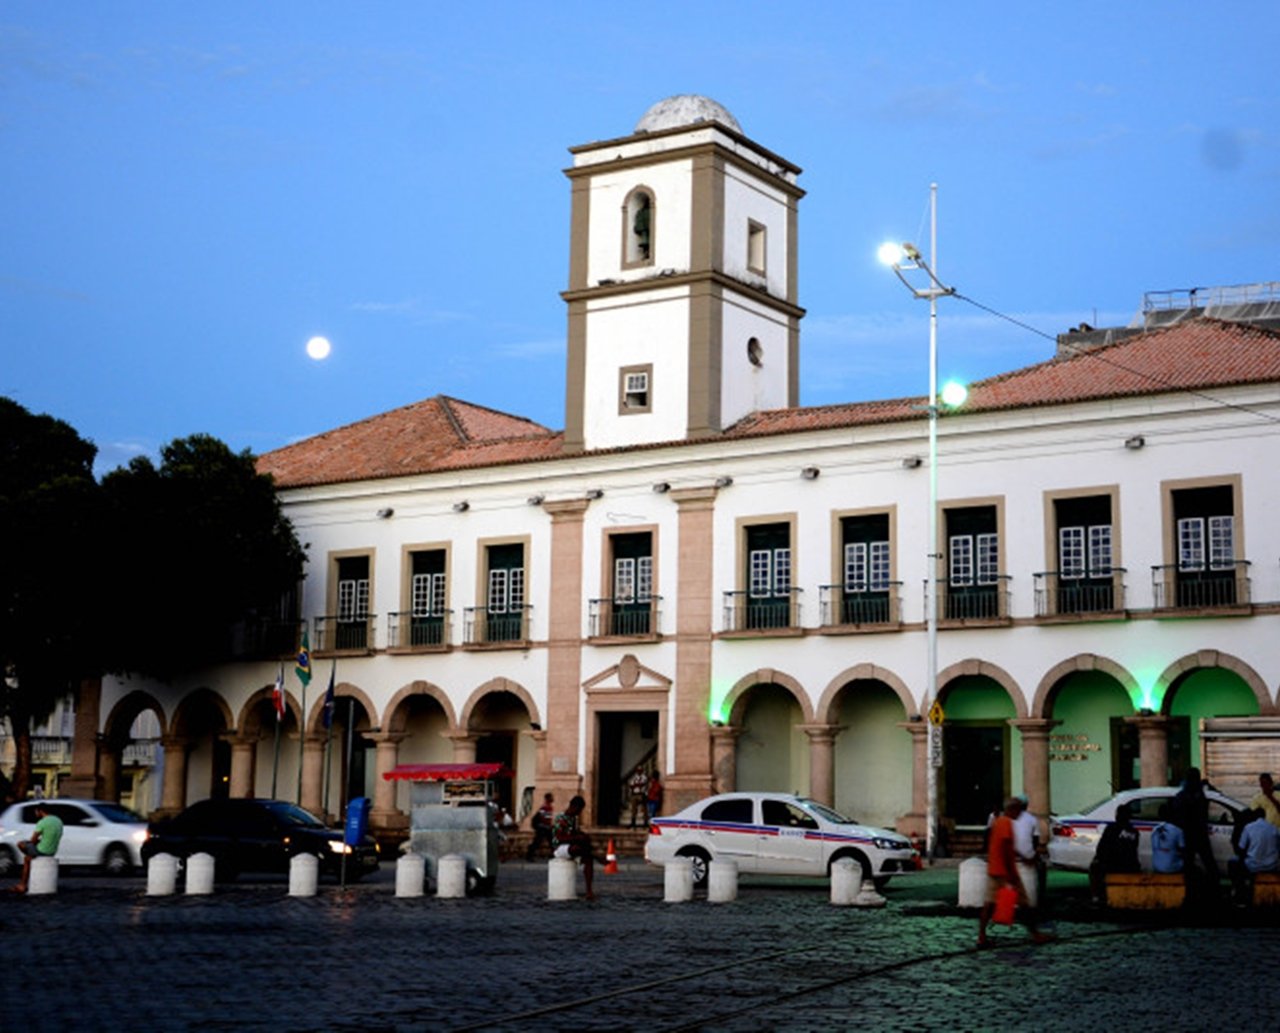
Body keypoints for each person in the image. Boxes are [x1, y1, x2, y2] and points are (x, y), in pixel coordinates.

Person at [978, 797, 1051, 947]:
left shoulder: (1000, 822)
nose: (1020, 813)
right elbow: (1005, 848)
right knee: (1024, 903)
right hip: (1006, 871)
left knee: (989, 903)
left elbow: (1008, 846)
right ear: (1012, 809)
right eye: (1018, 810)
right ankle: (1035, 934)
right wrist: (1009, 875)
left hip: (995, 869)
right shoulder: (1006, 823)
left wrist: (1025, 857)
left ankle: (982, 936)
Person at [1170, 766, 1220, 895]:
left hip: (1188, 835)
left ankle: (1189, 890)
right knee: (1209, 864)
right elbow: (1216, 795)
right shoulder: (1200, 795)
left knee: (1189, 864)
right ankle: (1214, 889)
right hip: (1199, 834)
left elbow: (1176, 814)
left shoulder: (1182, 795)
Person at [1089, 803, 1141, 903]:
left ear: (1117, 815)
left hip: (1112, 865)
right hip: (1130, 867)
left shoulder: (1111, 829)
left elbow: (1101, 849)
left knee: (1094, 867)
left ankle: (1097, 896)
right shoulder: (1135, 832)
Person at [1229, 807, 1280, 904]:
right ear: (1265, 816)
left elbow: (1241, 848)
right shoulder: (1274, 829)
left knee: (1233, 862)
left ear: (1254, 816)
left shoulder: (1248, 828)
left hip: (1253, 866)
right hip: (1272, 866)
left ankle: (1240, 893)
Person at [551, 795, 597, 900]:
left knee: (588, 857)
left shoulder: (573, 819)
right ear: (574, 807)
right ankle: (596, 857)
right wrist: (577, 837)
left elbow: (574, 833)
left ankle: (589, 890)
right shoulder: (561, 819)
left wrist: (582, 836)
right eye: (579, 810)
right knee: (579, 849)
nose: (579, 813)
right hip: (559, 848)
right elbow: (559, 838)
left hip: (570, 845)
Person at [13, 801, 63, 894]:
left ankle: (22, 885)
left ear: (40, 811)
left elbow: (32, 840)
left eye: (36, 811)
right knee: (30, 851)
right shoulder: (58, 820)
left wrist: (29, 844)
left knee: (21, 846)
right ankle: (31, 856)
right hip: (52, 851)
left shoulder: (42, 822)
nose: (35, 813)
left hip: (42, 851)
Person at [1010, 796, 1045, 912]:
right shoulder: (1032, 819)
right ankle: (1038, 898)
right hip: (1026, 855)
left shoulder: (1008, 818)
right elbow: (1035, 839)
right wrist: (1033, 854)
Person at [1151, 804, 1187, 875]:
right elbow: (1184, 851)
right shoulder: (1178, 831)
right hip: (1173, 869)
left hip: (1156, 867)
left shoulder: (1154, 829)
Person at [526, 791, 556, 861]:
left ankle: (553, 854)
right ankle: (529, 855)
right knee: (538, 842)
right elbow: (543, 818)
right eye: (551, 798)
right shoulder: (545, 807)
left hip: (545, 827)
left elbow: (547, 818)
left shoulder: (548, 807)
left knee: (550, 841)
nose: (552, 799)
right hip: (542, 827)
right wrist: (548, 825)